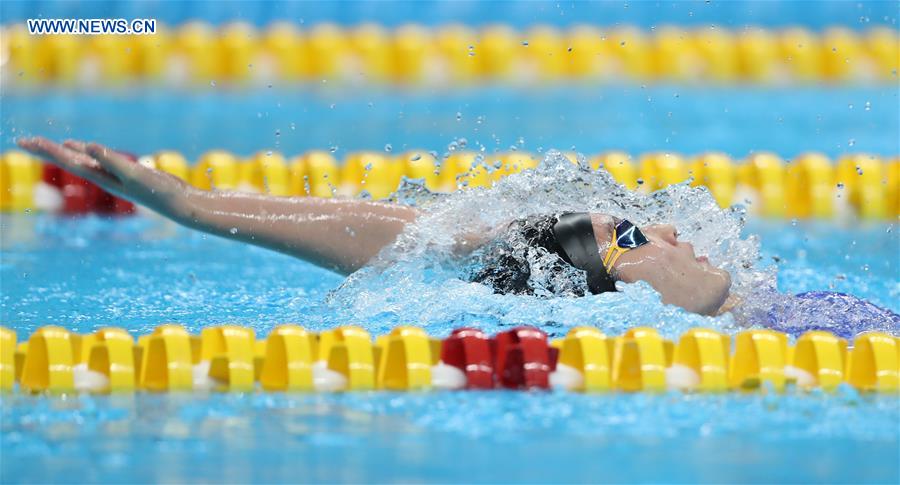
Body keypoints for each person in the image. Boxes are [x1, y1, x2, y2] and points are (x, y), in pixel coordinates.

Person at [17, 137, 898, 337]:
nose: (671, 226)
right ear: (623, 294)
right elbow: (455, 252)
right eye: (632, 233)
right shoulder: (787, 337)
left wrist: (192, 201)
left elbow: (425, 240)